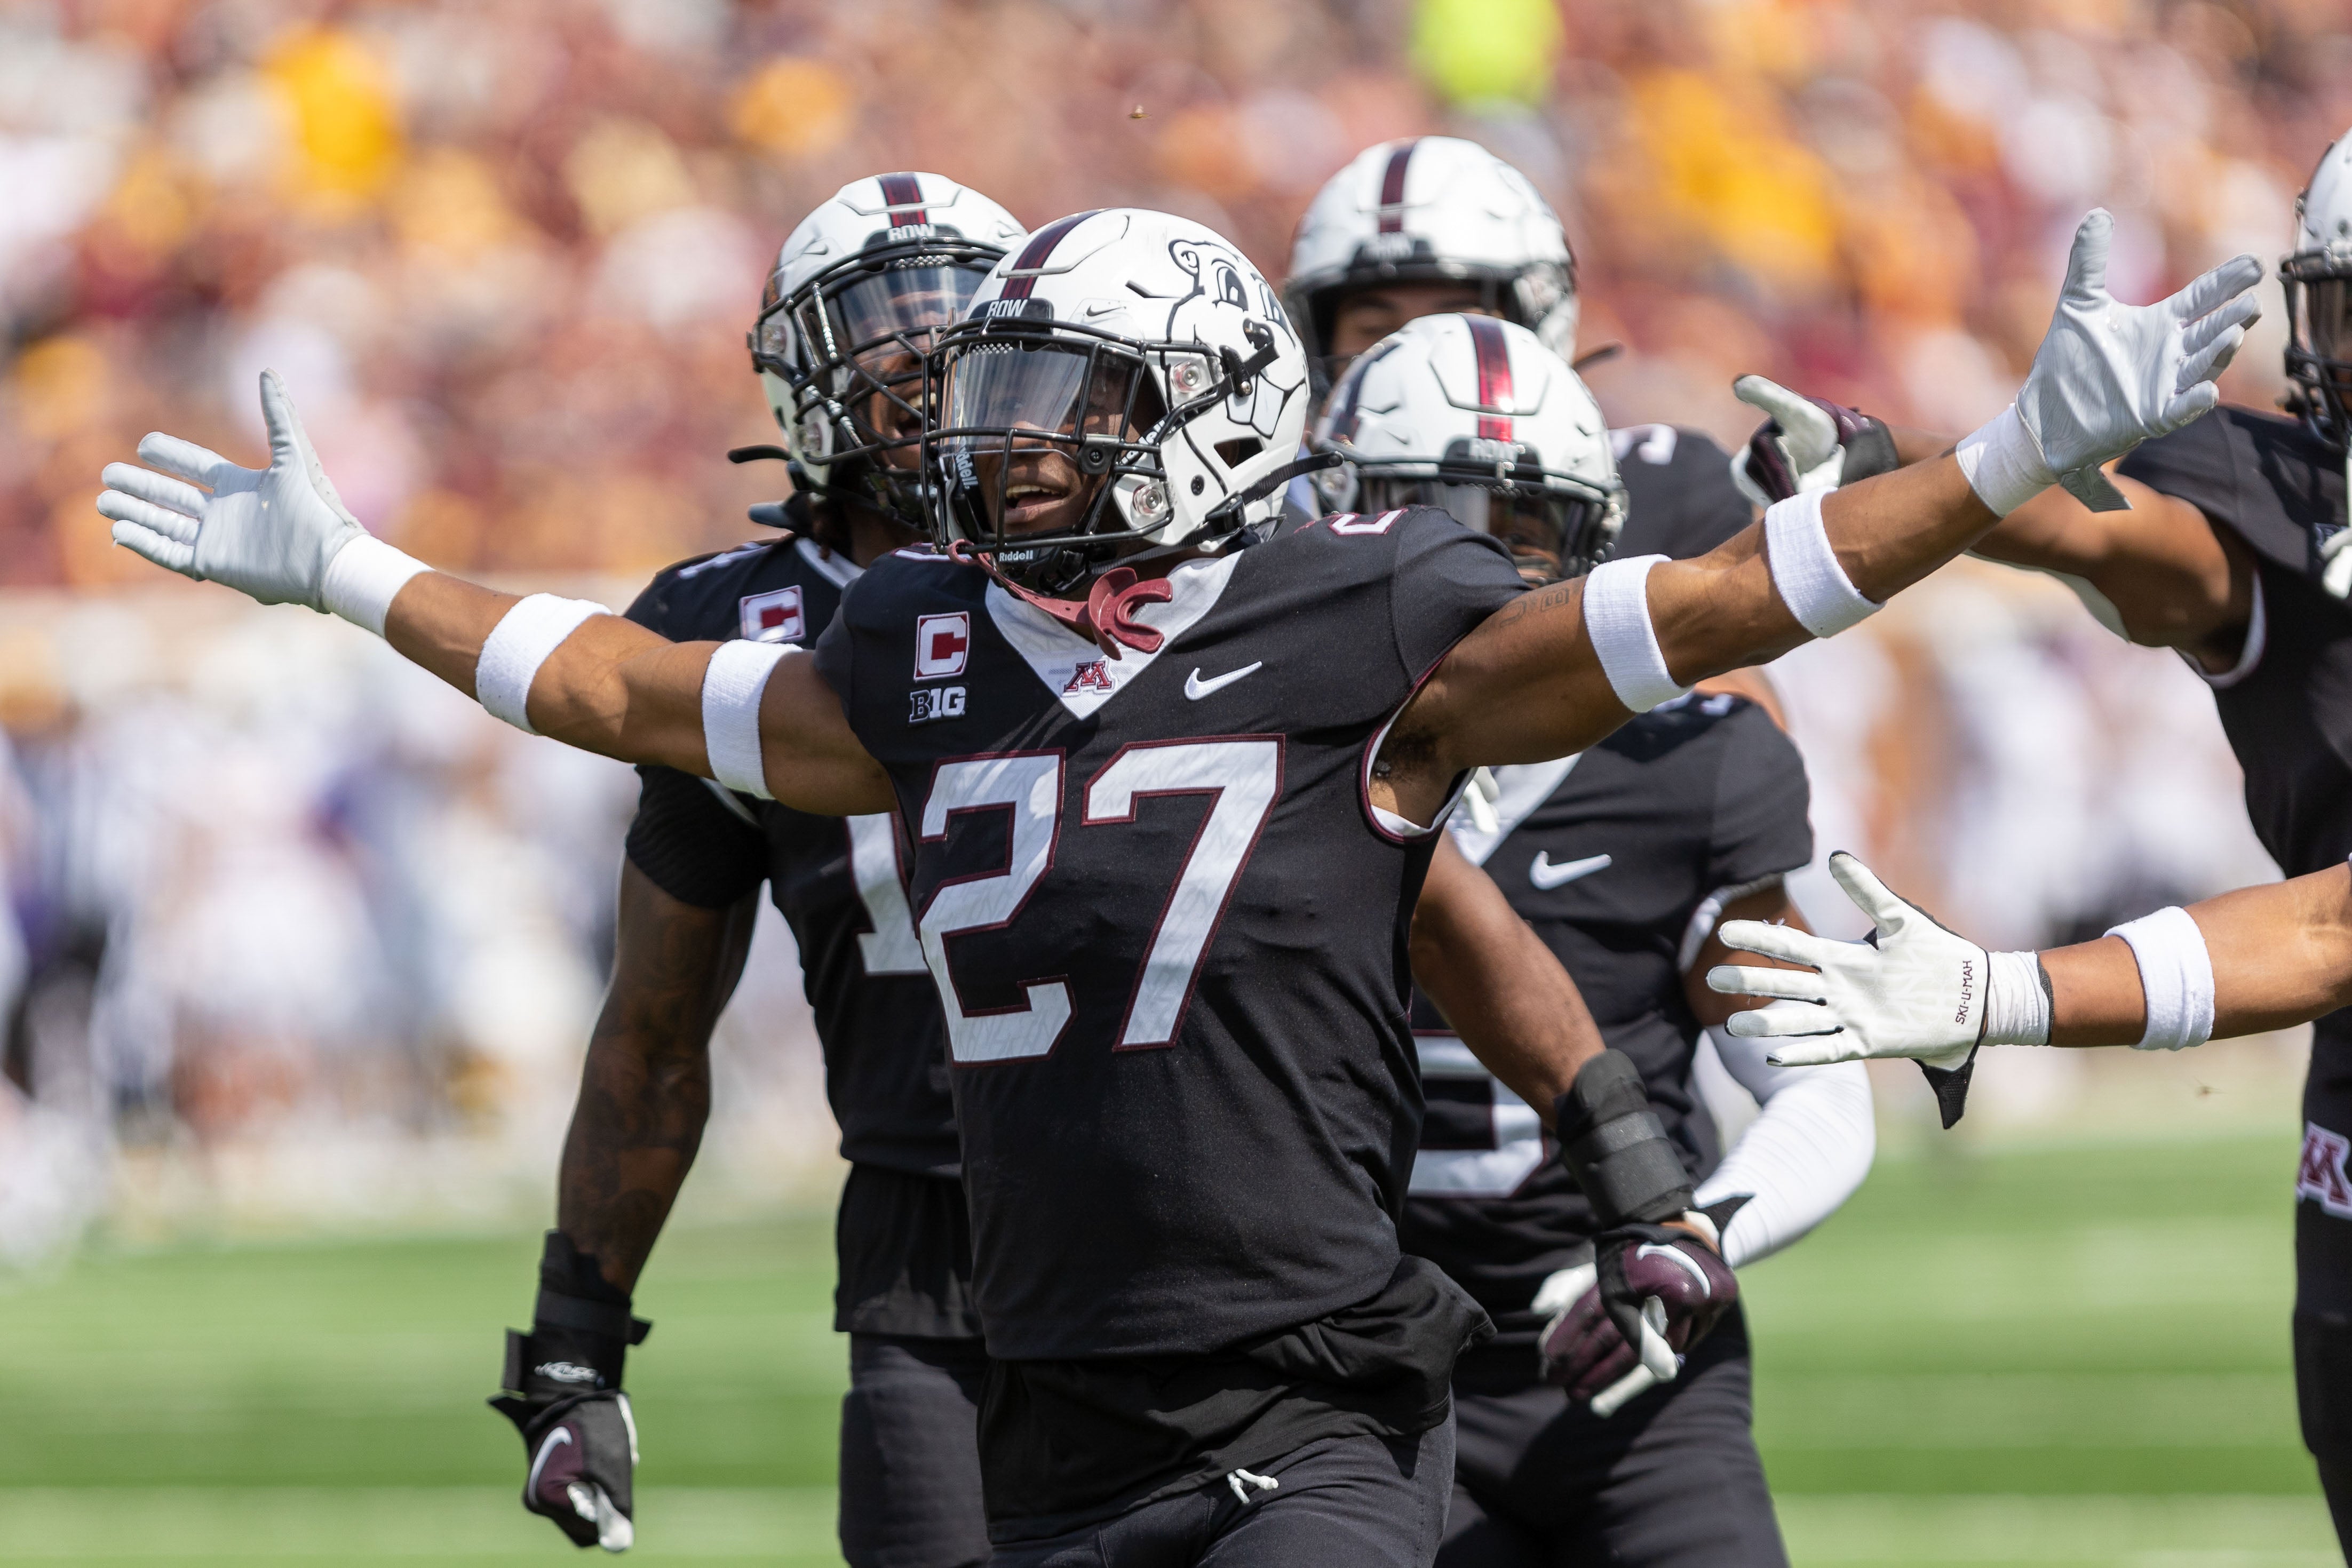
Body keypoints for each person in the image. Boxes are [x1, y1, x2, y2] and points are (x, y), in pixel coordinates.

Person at [97, 204, 2256, 1566]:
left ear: (1205, 419)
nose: (999, 436)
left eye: (1064, 400)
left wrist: (1993, 465)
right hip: (1040, 1391)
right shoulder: (917, 651)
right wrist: (352, 571)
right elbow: (632, 691)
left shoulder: (1364, 611)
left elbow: (1706, 606)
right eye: (1005, 393)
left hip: (1304, 1383)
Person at [1717, 130, 2352, 1551]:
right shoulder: (2288, 524)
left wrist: (1996, 993)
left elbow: (2337, 928)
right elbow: (2105, 533)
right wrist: (1906, 468)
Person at [489, 173, 1021, 1563]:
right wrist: (575, 1343)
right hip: (925, 1251)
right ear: (804, 377)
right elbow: (658, 1029)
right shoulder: (730, 626)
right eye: (890, 336)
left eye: (967, 330)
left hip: (1186, 1208)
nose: (934, 371)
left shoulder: (1144, 586)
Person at [1322, 315, 1872, 1565]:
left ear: (1589, 548)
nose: (1460, 576)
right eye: (1422, 522)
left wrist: (1688, 1237)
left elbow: (1820, 1094)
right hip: (1358, 1388)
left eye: (1515, 530)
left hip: (1637, 1372)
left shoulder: (1685, 760)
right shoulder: (1269, 752)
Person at [1284, 137, 1757, 567]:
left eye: (1456, 324)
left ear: (1540, 321)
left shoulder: (1665, 486)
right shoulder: (1259, 515)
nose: (1413, 360)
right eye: (1378, 329)